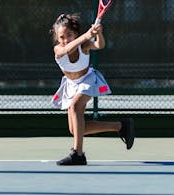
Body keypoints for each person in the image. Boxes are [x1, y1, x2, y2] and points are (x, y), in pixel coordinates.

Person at [50, 13, 134, 166]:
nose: (65, 39)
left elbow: (99, 45)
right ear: (57, 38)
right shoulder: (58, 49)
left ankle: (78, 153)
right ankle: (120, 126)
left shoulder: (84, 45)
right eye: (61, 37)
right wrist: (86, 35)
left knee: (75, 106)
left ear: (75, 32)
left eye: (69, 35)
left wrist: (98, 34)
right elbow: (66, 50)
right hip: (70, 85)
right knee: (74, 129)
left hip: (87, 80)